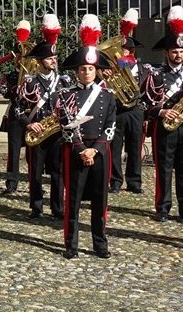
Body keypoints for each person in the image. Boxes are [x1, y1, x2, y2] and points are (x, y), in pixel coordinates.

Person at [56, 14, 118, 259]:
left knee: (100, 201)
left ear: (96, 70)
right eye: (83, 68)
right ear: (77, 71)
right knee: (73, 199)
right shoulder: (65, 95)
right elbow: (65, 125)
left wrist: (96, 149)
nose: (87, 72)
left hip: (100, 152)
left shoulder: (108, 96)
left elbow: (111, 126)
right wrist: (82, 148)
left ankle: (99, 243)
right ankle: (71, 244)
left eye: (91, 68)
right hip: (75, 151)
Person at [142, 5, 183, 223]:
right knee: (164, 168)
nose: (178, 55)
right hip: (165, 126)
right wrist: (161, 111)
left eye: (182, 51)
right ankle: (163, 208)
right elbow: (144, 103)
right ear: (167, 52)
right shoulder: (155, 75)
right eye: (175, 52)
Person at [21, 14, 68, 220]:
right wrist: (29, 124)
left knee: (58, 172)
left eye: (54, 58)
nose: (53, 61)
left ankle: (58, 208)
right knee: (36, 173)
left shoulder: (64, 81)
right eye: (49, 58)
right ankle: (37, 207)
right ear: (40, 61)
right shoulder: (29, 83)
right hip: (37, 132)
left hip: (57, 132)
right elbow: (17, 110)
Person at [109, 9, 146, 194]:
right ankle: (115, 180)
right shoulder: (112, 70)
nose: (126, 53)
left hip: (136, 111)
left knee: (135, 146)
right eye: (123, 50)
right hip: (117, 110)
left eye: (129, 50)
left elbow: (148, 92)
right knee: (115, 147)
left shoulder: (144, 70)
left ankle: (134, 181)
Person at [0, 20, 34, 196]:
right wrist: (17, 86)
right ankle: (11, 183)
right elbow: (4, 91)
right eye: (18, 57)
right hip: (15, 114)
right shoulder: (9, 75)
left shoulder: (35, 76)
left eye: (24, 56)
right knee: (13, 149)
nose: (21, 59)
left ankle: (35, 180)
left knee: (34, 151)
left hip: (32, 114)